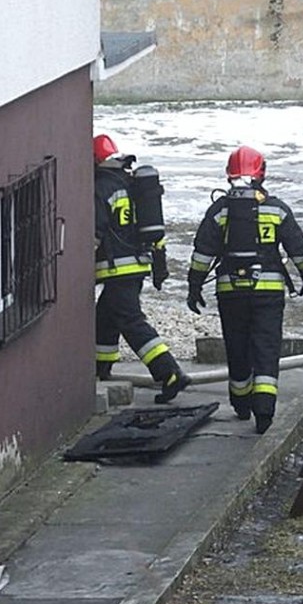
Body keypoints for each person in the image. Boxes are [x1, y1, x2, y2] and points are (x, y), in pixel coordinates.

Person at [187, 145, 303, 434]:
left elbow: (202, 253)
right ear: (262, 173)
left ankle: (241, 403)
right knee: (266, 347)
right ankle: (265, 411)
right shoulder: (276, 209)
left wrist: (194, 286)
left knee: (237, 345)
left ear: (228, 174)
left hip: (229, 291)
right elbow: (298, 249)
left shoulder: (219, 210)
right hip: (269, 291)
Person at [94, 133, 190, 403]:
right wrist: (160, 266)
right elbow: (153, 230)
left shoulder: (102, 187)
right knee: (105, 315)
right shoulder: (132, 184)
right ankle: (101, 367)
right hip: (138, 264)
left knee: (131, 321)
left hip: (116, 269)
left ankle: (169, 372)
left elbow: (96, 231)